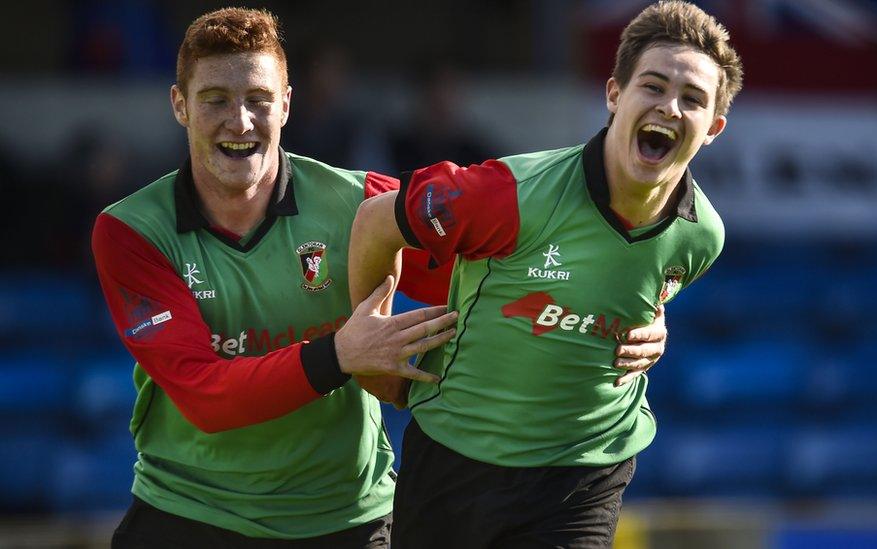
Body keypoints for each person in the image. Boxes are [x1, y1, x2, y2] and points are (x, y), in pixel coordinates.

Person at [91, 7, 668, 547]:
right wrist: (339, 354)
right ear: (179, 105)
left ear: (286, 105)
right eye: (214, 98)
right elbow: (204, 396)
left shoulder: (362, 205)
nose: (239, 120)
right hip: (187, 515)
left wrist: (619, 311)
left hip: (345, 519)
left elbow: (510, 277)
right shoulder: (131, 231)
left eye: (258, 99)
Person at [347, 1, 743, 547]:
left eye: (692, 99)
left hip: (584, 473)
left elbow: (630, 293)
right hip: (457, 459)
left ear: (713, 128)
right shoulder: (509, 194)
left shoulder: (704, 238)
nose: (670, 107)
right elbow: (374, 220)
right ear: (613, 95)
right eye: (652, 87)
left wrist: (654, 329)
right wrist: (370, 352)